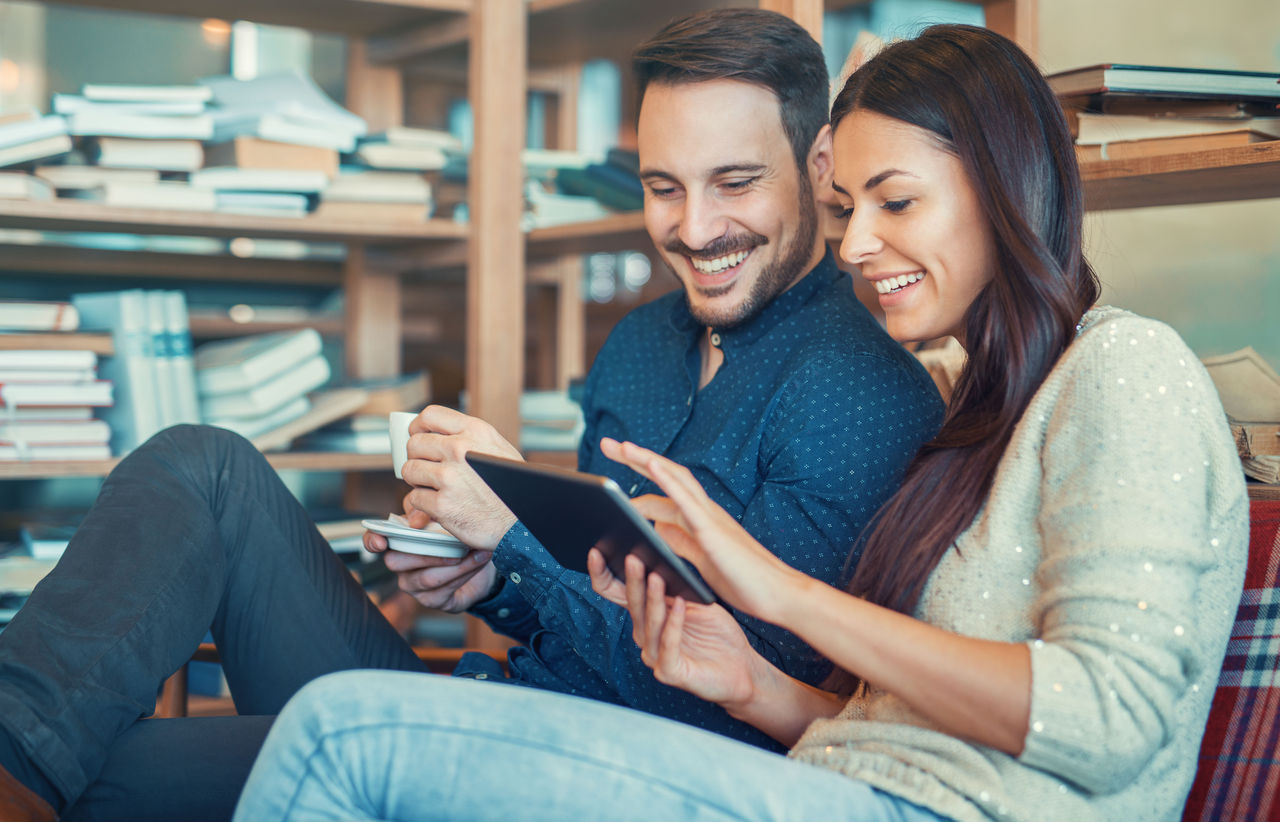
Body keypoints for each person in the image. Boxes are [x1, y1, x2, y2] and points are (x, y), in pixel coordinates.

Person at [231, 22, 1249, 822]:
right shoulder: (981, 418)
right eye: (847, 208)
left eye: (895, 203)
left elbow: (1112, 722)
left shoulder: (1126, 368)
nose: (856, 246)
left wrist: (787, 598)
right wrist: (750, 678)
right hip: (845, 784)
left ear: (1005, 188)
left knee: (333, 734)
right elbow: (884, 731)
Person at [0, 9, 942, 822]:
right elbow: (580, 606)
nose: (694, 229)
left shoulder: (860, 392)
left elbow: (738, 703)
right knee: (200, 466)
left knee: (97, 772)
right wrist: (489, 580)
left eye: (735, 183)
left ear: (818, 163)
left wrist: (518, 532)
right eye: (663, 188)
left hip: (599, 779)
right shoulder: (641, 347)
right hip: (485, 712)